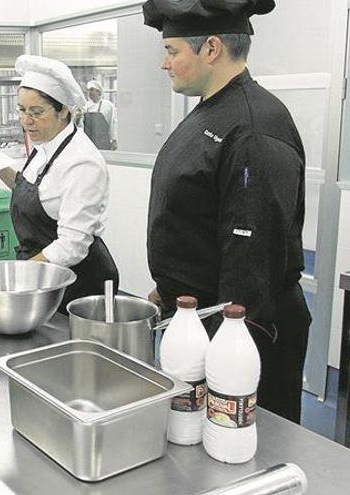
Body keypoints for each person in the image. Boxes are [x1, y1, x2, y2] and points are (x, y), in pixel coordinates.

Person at [143, 0, 311, 423]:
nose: (165, 63)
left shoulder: (254, 128)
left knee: (243, 446)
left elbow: (252, 259)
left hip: (242, 331)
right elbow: (197, 215)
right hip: (200, 319)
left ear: (212, 48)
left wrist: (227, 349)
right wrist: (169, 290)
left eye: (172, 51)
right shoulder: (212, 111)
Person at [0, 55, 119, 311]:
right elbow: (37, 193)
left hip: (76, 283)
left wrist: (18, 277)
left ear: (64, 111)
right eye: (21, 110)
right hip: (41, 272)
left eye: (36, 112)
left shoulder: (82, 161)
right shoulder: (44, 145)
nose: (26, 121)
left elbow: (72, 245)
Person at [83, 80, 118, 150]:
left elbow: (113, 123)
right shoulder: (85, 106)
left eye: (91, 90)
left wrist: (114, 140)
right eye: (88, 90)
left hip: (103, 142)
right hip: (88, 143)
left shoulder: (108, 106)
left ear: (98, 91)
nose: (89, 92)